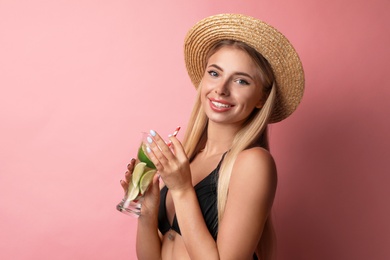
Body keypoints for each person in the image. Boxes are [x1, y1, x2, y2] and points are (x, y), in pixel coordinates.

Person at [120, 13, 304, 260]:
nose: (221, 89)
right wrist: (148, 212)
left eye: (241, 81)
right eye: (215, 73)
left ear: (261, 98)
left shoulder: (253, 163)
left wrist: (183, 189)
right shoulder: (190, 157)